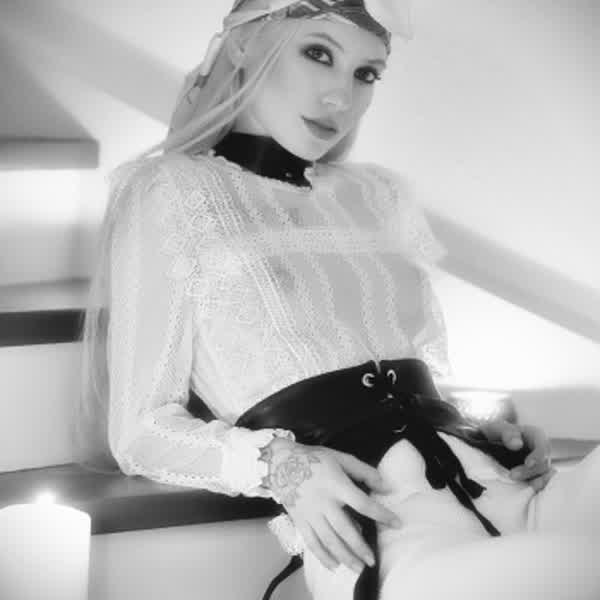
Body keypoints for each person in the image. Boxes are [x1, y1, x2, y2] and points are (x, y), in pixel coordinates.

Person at [75, 1, 600, 599]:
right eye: (318, 53)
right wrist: (281, 466)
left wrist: (492, 433)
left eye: (365, 73)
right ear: (243, 45)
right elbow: (140, 431)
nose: (340, 97)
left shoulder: (377, 195)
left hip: (515, 494)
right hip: (394, 538)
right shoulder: (170, 189)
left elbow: (407, 371)